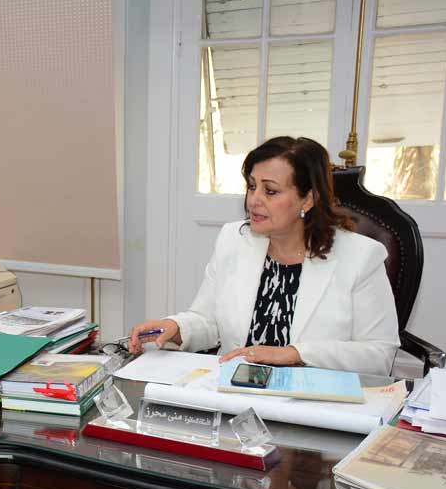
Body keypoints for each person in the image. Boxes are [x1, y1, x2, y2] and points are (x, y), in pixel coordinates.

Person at [128, 136, 399, 375]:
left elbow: (379, 355)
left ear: (307, 199)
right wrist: (176, 328)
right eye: (251, 186)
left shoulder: (361, 257)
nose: (253, 200)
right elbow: (209, 321)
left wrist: (294, 354)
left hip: (310, 399)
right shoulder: (234, 239)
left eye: (270, 191)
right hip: (233, 391)